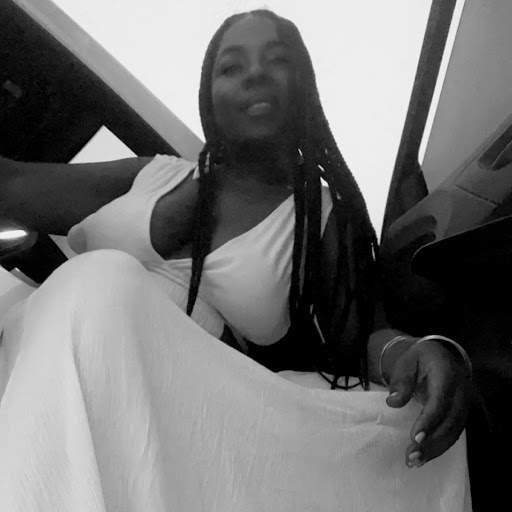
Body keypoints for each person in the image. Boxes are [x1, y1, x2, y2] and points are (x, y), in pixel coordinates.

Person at [0, 9, 472, 511]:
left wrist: (414, 352)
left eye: (277, 60)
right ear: (208, 94)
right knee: (99, 280)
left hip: (175, 411)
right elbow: (12, 184)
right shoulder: (149, 176)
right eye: (231, 66)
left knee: (410, 420)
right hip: (52, 357)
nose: (255, 74)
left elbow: (359, 341)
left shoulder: (320, 216)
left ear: (304, 86)